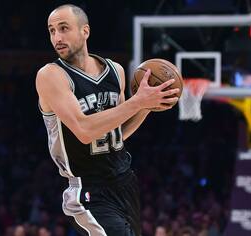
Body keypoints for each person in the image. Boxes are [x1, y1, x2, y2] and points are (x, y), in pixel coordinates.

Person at [35, 4, 179, 236]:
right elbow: (83, 130)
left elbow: (117, 134)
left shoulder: (115, 70)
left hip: (125, 182)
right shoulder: (51, 75)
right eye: (52, 30)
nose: (57, 37)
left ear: (85, 31)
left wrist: (148, 106)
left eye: (63, 28)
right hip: (88, 189)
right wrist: (137, 102)